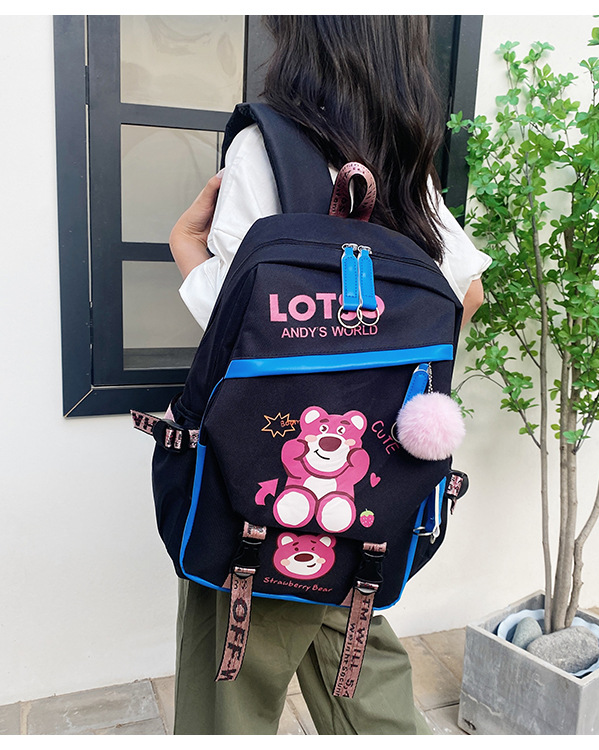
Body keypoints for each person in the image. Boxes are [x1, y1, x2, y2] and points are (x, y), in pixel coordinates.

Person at [167, 16, 490, 735]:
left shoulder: (268, 146)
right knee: (361, 672)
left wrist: (186, 250)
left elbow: (240, 331)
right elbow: (464, 296)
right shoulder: (403, 157)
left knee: (230, 690)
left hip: (258, 495)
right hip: (376, 492)